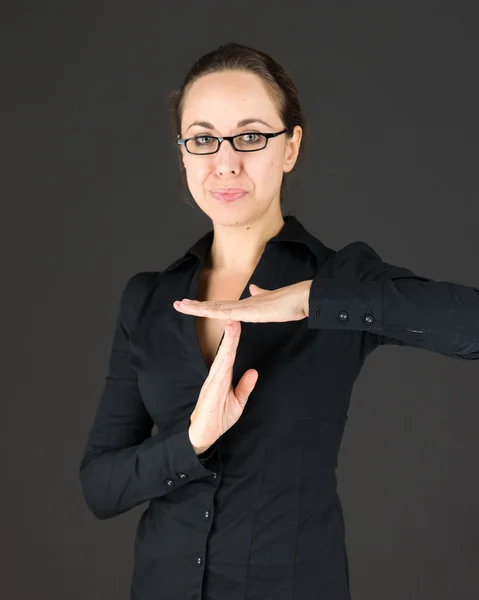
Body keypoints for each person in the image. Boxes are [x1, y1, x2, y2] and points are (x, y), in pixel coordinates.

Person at [79, 42, 479, 600]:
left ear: (290, 147)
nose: (225, 162)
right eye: (202, 139)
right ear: (184, 153)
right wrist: (191, 442)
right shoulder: (146, 298)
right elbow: (100, 486)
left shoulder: (341, 279)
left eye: (249, 136)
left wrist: (313, 300)